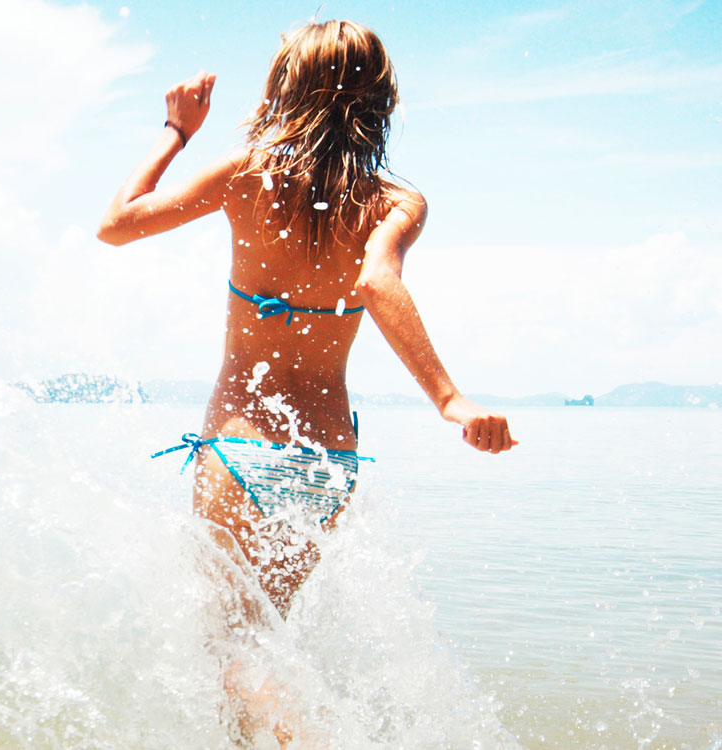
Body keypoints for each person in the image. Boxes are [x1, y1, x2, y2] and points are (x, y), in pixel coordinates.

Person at [97, 20, 516, 619]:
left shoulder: (247, 175)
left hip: (244, 445)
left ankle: (304, 723)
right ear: (378, 103)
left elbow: (116, 225)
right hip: (327, 461)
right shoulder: (397, 204)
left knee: (235, 649)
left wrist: (176, 132)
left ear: (283, 92)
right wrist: (449, 400)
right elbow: (377, 280)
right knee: (269, 639)